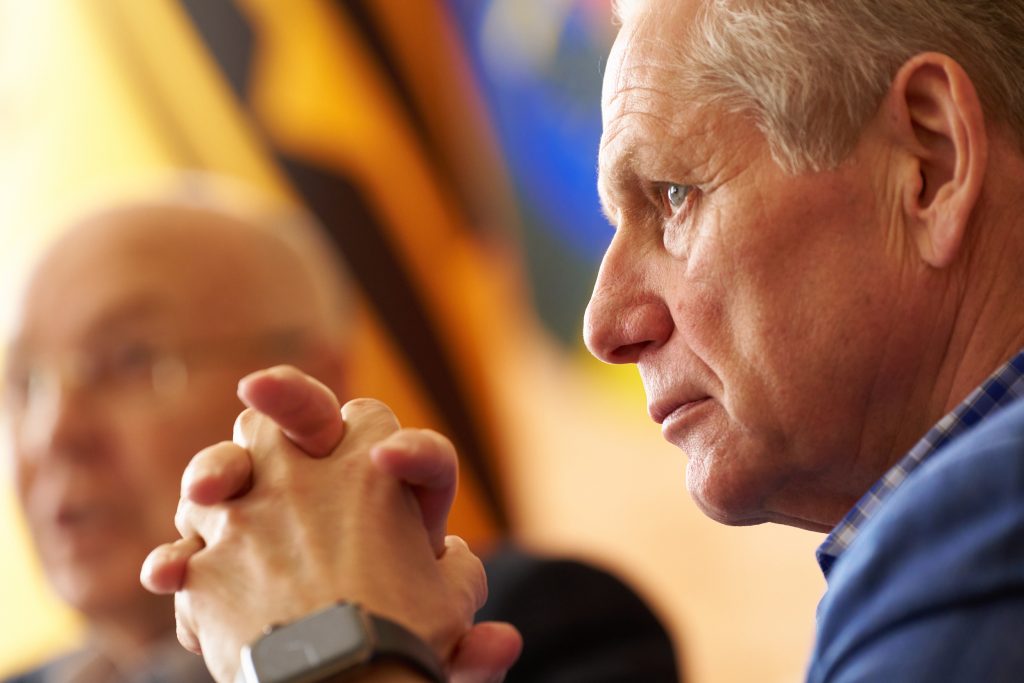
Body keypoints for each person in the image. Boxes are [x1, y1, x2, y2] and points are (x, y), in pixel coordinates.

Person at [143, 0, 1024, 680]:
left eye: (673, 196)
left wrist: (326, 646)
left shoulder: (979, 533)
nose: (605, 325)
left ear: (930, 159)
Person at [2, 177, 679, 683]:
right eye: (24, 382)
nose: (51, 432)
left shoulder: (538, 625)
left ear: (310, 382)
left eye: (131, 360)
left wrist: (328, 654)